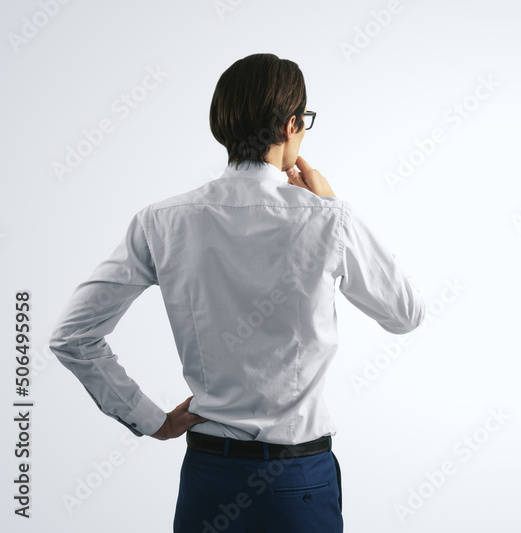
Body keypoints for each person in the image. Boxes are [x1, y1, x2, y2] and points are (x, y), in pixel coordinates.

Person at [48, 53, 426, 532]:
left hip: (210, 478)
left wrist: (150, 419)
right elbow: (406, 313)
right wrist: (330, 205)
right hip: (298, 480)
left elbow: (72, 336)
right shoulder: (328, 218)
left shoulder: (161, 221)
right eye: (304, 121)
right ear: (291, 125)